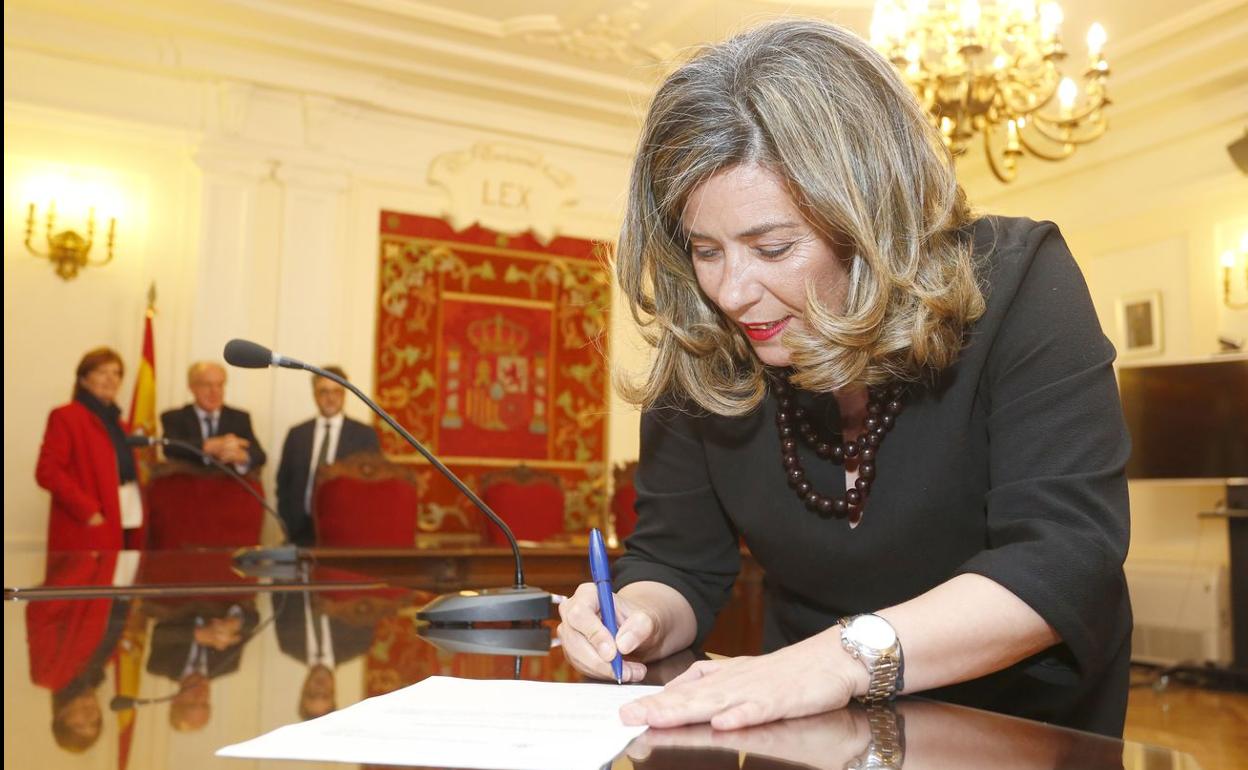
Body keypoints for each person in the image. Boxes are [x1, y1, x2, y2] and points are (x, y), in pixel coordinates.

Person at [556, 19, 1132, 738]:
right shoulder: (707, 335)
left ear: (873, 220)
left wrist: (837, 659)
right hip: (806, 728)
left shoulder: (1018, 282)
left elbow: (1066, 558)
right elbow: (677, 562)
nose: (733, 291)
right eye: (706, 250)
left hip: (1020, 732)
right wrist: (638, 615)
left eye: (773, 246)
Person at [36, 347, 146, 551]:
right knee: (91, 581)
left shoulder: (121, 424)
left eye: (116, 373)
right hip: (89, 522)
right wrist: (89, 511)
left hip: (128, 516)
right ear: (84, 380)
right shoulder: (66, 416)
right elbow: (48, 472)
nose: (111, 379)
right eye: (102, 372)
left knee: (123, 579)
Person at [275, 366, 380, 545]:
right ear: (314, 394)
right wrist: (288, 521)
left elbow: (373, 487)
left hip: (346, 530)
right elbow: (283, 483)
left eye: (336, 391)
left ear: (345, 394)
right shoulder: (297, 434)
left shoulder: (365, 435)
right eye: (324, 391)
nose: (330, 398)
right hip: (301, 530)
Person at [161, 361, 266, 471]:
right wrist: (207, 446)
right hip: (187, 484)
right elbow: (170, 448)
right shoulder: (174, 417)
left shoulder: (239, 418)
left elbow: (260, 455)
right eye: (207, 385)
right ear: (192, 387)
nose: (215, 391)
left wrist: (243, 456)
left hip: (226, 485)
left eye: (220, 385)